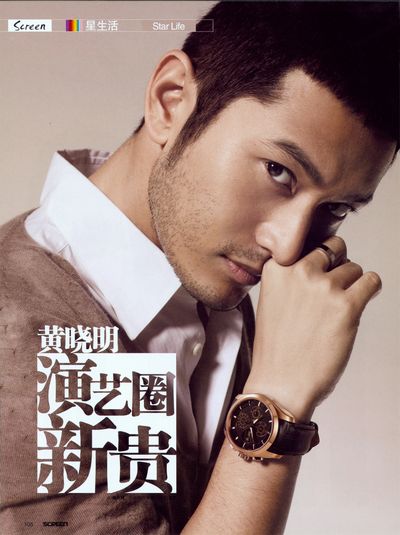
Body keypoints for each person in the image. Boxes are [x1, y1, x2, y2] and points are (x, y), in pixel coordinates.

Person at [0, 1, 398, 534]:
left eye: (337, 208)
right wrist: (276, 400)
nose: (286, 247)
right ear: (171, 102)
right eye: (278, 171)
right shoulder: (31, 328)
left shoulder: (199, 284)